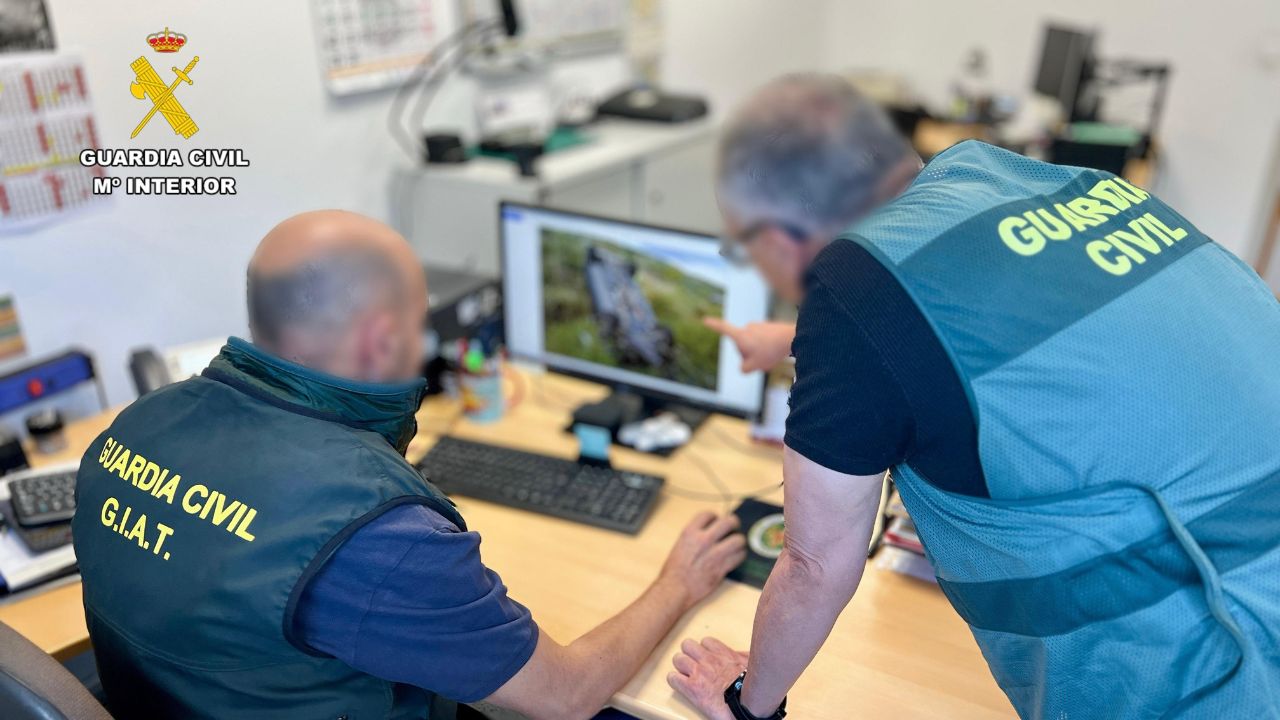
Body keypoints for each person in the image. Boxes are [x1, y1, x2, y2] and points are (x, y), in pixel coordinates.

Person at [670, 73, 1280, 719]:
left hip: (1218, 651)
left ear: (781, 233)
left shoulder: (859, 288)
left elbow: (815, 564)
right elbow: (992, 322)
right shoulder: (1036, 181)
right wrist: (806, 342)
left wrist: (747, 703)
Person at [72, 210, 747, 720]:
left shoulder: (136, 426)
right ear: (385, 338)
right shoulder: (378, 535)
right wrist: (679, 583)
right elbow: (565, 694)